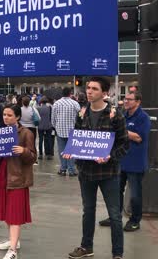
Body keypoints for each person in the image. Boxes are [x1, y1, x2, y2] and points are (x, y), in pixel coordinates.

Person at [67, 77, 129, 259]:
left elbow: (124, 144)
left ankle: (117, 253)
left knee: (115, 215)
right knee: (88, 211)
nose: (89, 91)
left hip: (108, 172)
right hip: (86, 172)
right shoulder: (82, 112)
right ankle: (86, 247)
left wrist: (111, 156)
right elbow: (77, 138)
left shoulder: (114, 114)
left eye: (94, 88)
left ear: (104, 93)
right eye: (88, 88)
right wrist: (72, 151)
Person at [0, 104, 36, 259]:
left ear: (18, 117)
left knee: (14, 214)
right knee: (7, 212)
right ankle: (14, 241)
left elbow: (33, 156)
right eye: (4, 115)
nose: (5, 117)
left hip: (17, 178)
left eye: (9, 115)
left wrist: (24, 151)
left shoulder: (26, 133)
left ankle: (12, 250)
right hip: (2, 176)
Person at [99, 91, 150, 232]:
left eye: (129, 99)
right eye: (124, 99)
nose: (125, 101)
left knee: (135, 195)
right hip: (120, 160)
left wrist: (120, 130)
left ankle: (134, 220)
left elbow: (139, 137)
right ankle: (115, 217)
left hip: (135, 162)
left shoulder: (143, 117)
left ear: (138, 102)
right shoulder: (122, 115)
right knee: (116, 192)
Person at [52, 87, 80, 176]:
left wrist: (55, 126)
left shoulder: (56, 104)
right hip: (72, 130)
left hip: (60, 130)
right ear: (70, 93)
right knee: (71, 151)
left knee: (62, 150)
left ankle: (63, 169)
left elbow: (53, 118)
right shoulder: (75, 103)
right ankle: (72, 170)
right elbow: (79, 117)